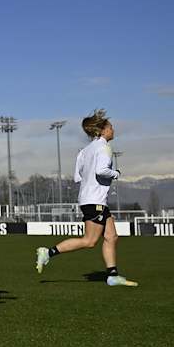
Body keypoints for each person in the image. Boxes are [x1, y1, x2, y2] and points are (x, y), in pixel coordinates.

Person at [35, 110, 137, 286]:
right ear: (103, 130)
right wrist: (116, 173)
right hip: (95, 201)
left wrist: (91, 183)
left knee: (111, 236)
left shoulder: (84, 151)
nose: (113, 130)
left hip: (90, 199)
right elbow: (101, 171)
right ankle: (47, 253)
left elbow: (77, 177)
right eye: (111, 127)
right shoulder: (104, 148)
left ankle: (112, 276)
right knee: (89, 241)